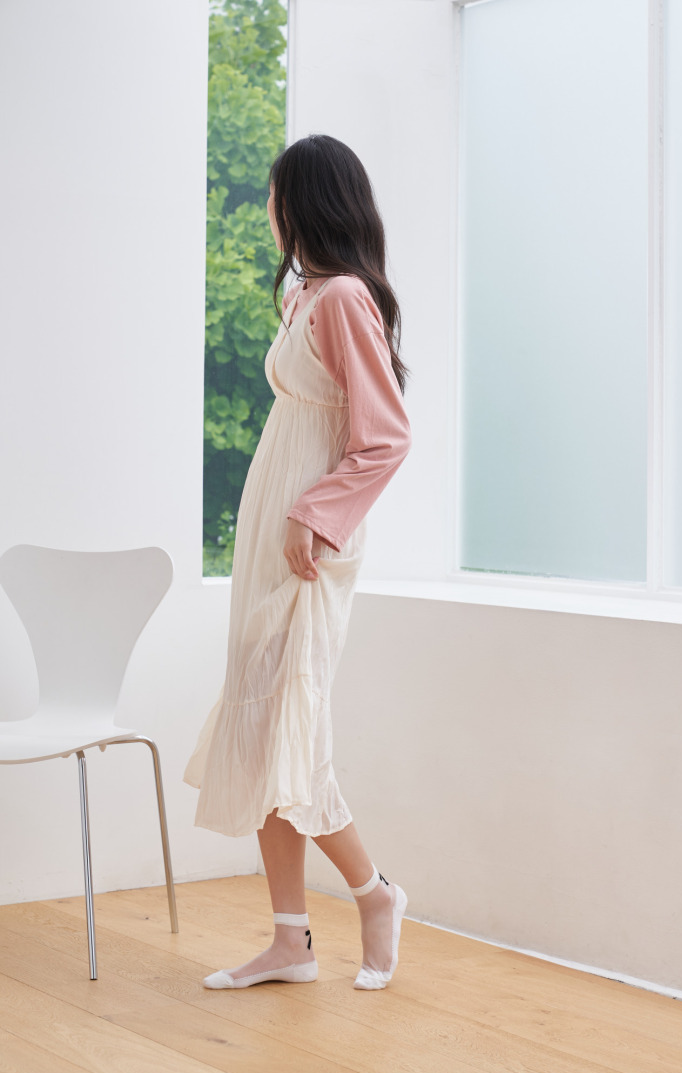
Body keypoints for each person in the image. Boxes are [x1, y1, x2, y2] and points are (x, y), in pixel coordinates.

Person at [183, 134, 413, 992]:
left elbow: (385, 437)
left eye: (278, 197)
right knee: (260, 734)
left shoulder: (345, 297)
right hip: (272, 533)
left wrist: (314, 517)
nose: (270, 212)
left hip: (309, 543)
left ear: (307, 201)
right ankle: (291, 941)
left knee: (292, 733)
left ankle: (375, 894)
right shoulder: (303, 296)